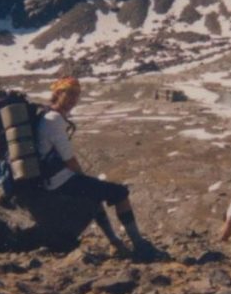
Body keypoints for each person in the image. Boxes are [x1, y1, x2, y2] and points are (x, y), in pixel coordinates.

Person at [37, 76, 158, 260]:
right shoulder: (54, 120)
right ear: (57, 93)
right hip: (58, 180)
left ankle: (116, 243)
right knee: (120, 193)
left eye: (76, 95)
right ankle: (139, 245)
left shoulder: (50, 117)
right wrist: (82, 177)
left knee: (95, 194)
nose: (73, 99)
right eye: (69, 94)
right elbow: (69, 159)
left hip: (52, 178)